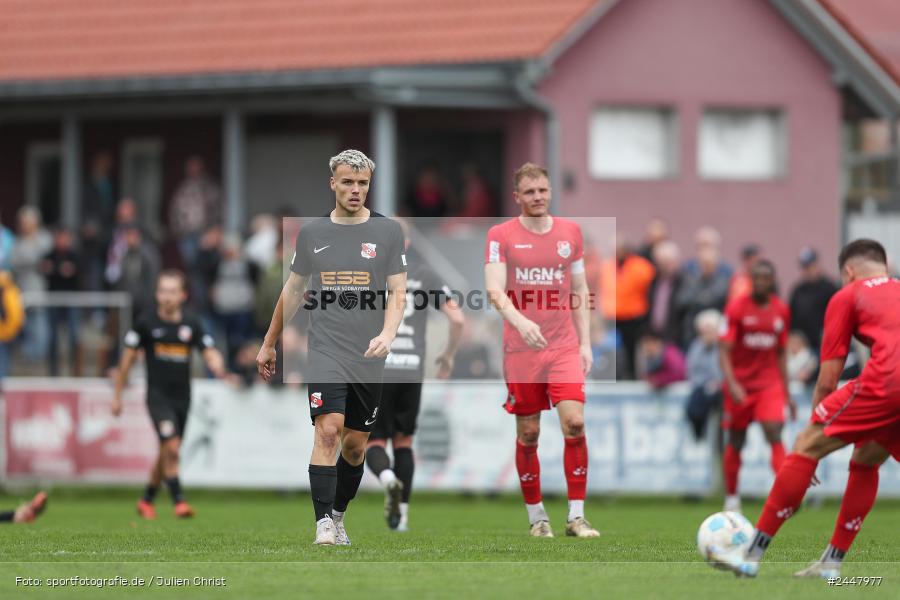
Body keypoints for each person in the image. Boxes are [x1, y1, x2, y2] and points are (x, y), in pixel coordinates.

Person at [714, 239, 900, 579]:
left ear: (848, 271)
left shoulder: (847, 295)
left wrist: (814, 429)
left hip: (887, 382)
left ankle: (750, 555)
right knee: (867, 459)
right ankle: (831, 563)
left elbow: (829, 378)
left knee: (804, 447)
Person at [256, 149, 407, 546]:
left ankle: (339, 515)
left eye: (362, 183)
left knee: (355, 447)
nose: (355, 190)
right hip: (324, 347)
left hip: (369, 354)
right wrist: (269, 343)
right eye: (348, 182)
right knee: (328, 431)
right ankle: (323, 523)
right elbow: (292, 291)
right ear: (333, 183)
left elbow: (398, 293)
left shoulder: (388, 232)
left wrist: (388, 333)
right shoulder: (312, 233)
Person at [484, 162, 598, 538]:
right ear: (517, 197)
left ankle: (577, 517)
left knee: (575, 422)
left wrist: (585, 343)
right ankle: (538, 519)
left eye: (543, 191)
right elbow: (494, 290)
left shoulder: (571, 233)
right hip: (521, 350)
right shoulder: (500, 235)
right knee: (529, 433)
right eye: (530, 192)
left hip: (563, 345)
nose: (537, 197)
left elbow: (580, 291)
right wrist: (521, 322)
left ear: (550, 192)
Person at [365, 219, 465, 532]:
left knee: (372, 441)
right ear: (408, 243)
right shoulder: (424, 275)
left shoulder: (367, 274)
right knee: (404, 442)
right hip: (411, 369)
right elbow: (458, 319)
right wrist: (447, 356)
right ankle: (402, 516)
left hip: (377, 368)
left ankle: (388, 479)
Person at [112, 270, 228, 520]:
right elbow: (126, 361)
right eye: (162, 291)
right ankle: (179, 502)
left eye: (172, 291)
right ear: (156, 294)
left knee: (168, 449)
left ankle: (146, 500)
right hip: (157, 396)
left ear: (183, 295)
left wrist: (216, 362)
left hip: (182, 398)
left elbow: (208, 350)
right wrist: (117, 396)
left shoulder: (192, 323)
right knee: (173, 447)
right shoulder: (145, 324)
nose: (166, 297)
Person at [719, 259, 796, 513]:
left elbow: (782, 353)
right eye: (757, 278)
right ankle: (731, 497)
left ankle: (786, 495)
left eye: (766, 278)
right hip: (740, 384)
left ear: (772, 281)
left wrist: (787, 392)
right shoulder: (736, 308)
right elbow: (724, 350)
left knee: (774, 431)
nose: (761, 283)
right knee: (736, 440)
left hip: (768, 384)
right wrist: (732, 383)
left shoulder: (781, 311)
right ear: (751, 281)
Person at [600, 236, 656, 380]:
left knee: (633, 352)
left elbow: (648, 291)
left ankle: (633, 377)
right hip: (614, 317)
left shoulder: (641, 267)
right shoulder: (608, 266)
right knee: (613, 350)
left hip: (634, 317)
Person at [42, 227, 82, 376]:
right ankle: (53, 371)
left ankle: (74, 370)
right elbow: (46, 271)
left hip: (71, 300)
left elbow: (80, 275)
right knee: (53, 337)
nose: (62, 241)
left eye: (65, 238)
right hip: (53, 301)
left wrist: (69, 272)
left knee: (73, 336)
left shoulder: (75, 256)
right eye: (59, 238)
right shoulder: (49, 255)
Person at [789, 246, 838, 354]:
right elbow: (791, 317)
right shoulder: (798, 290)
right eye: (804, 267)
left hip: (823, 346)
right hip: (802, 349)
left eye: (810, 266)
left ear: (817, 264)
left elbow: (837, 316)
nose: (807, 270)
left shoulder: (830, 288)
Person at [685, 309, 723, 440]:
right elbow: (692, 371)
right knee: (696, 402)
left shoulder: (723, 347)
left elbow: (720, 372)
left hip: (721, 388)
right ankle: (699, 434)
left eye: (710, 330)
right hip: (701, 388)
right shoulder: (696, 347)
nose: (706, 335)